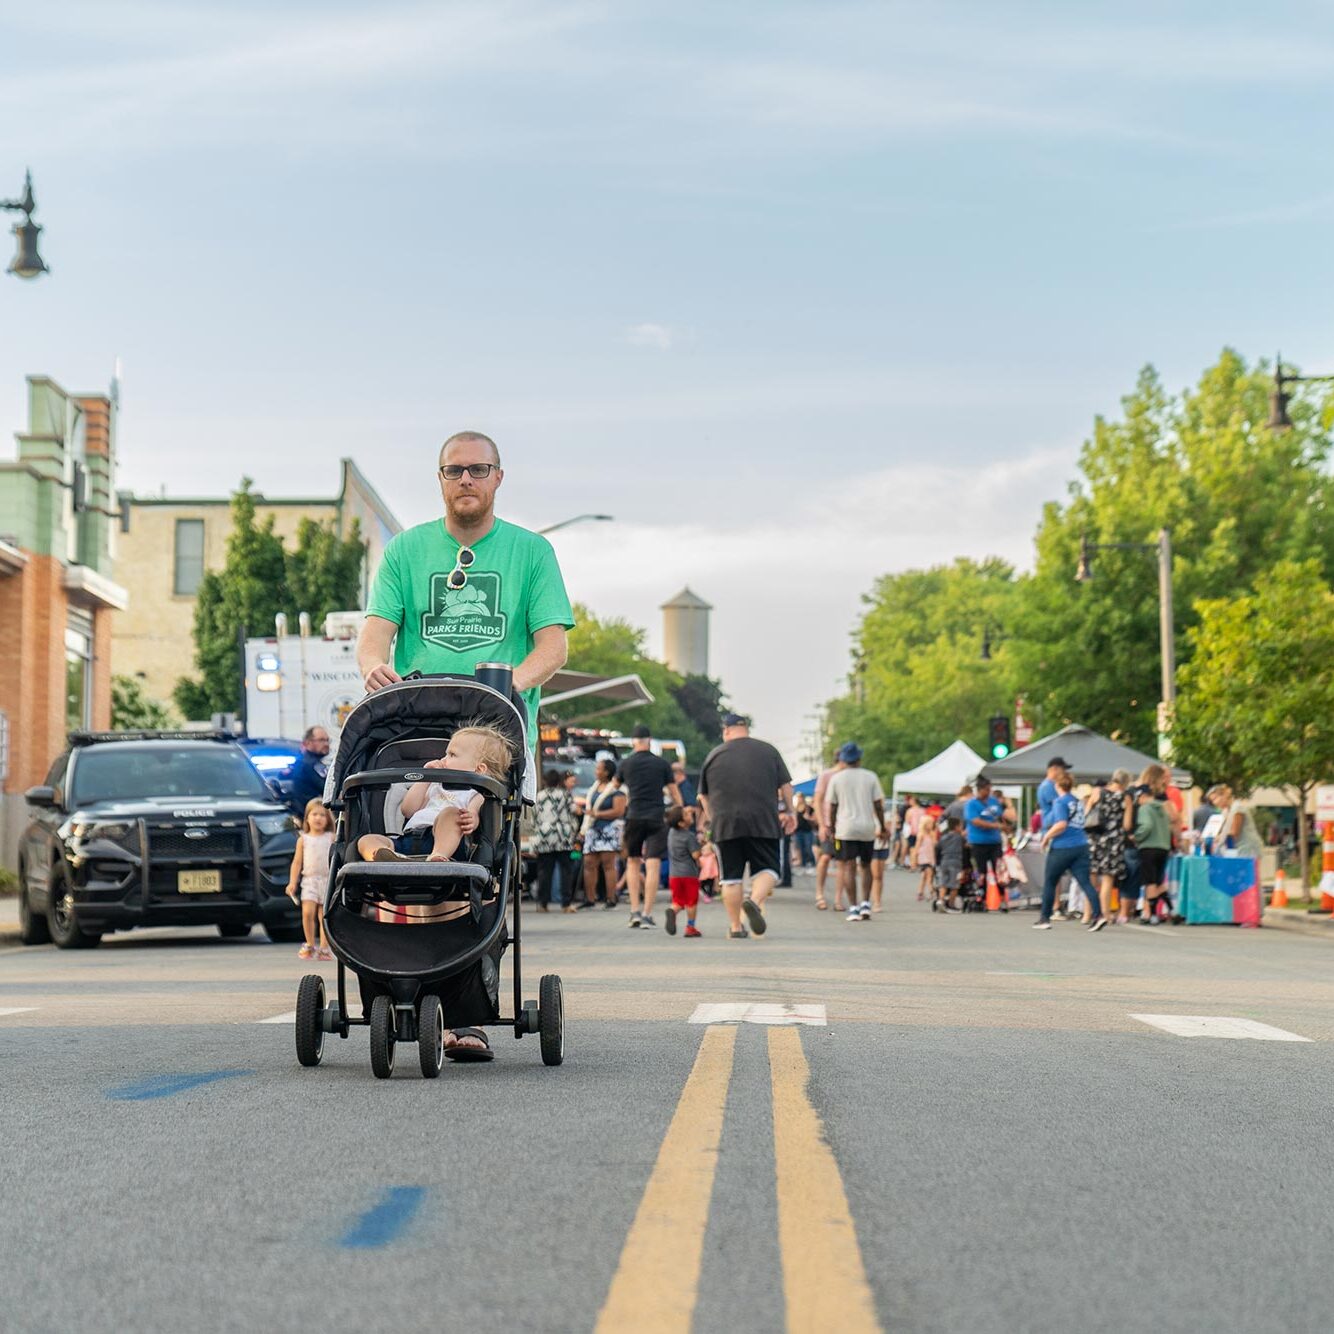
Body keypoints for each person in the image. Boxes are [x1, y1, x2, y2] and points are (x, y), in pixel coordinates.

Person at [356, 428, 574, 1060]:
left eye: (479, 470)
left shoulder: (531, 553)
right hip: (417, 725)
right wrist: (373, 664)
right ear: (441, 479)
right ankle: (395, 977)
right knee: (389, 827)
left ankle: (468, 1012)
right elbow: (376, 633)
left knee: (485, 860)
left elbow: (552, 645)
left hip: (493, 737)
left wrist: (509, 685)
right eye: (454, 471)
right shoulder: (407, 551)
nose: (466, 480)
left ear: (498, 477)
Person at [355, 727, 513, 929]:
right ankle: (380, 854)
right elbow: (408, 809)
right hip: (409, 840)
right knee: (366, 840)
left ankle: (438, 857)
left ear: (479, 770)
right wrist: (425, 777)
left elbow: (474, 815)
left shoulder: (477, 793)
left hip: (446, 844)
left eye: (452, 755)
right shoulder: (434, 785)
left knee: (450, 813)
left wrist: (471, 818)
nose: (443, 758)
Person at [697, 713, 796, 939]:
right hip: (763, 821)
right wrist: (790, 811)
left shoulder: (714, 755)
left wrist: (714, 819)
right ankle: (753, 901)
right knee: (769, 869)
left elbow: (703, 796)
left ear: (726, 731)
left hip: (725, 824)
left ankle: (735, 927)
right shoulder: (768, 751)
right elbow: (786, 785)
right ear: (745, 729)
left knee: (730, 878)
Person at [618, 725, 681, 929]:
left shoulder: (625, 763)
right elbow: (673, 792)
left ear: (633, 742)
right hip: (656, 817)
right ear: (649, 740)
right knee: (652, 865)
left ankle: (634, 911)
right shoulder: (662, 764)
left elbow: (615, 786)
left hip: (633, 817)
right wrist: (681, 809)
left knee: (633, 863)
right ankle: (647, 913)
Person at [1034, 770, 1106, 931]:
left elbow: (1061, 824)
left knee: (1050, 881)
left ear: (1057, 785)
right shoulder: (1077, 801)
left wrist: (1047, 837)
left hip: (1062, 846)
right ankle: (1098, 914)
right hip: (1081, 845)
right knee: (1085, 883)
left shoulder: (1060, 802)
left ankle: (1045, 918)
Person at [826, 742, 886, 923]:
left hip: (845, 828)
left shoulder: (837, 778)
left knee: (848, 867)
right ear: (859, 758)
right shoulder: (871, 777)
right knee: (866, 866)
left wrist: (832, 827)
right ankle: (866, 903)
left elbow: (833, 806)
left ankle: (853, 907)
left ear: (843, 759)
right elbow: (878, 805)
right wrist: (882, 827)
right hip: (867, 827)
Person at [286, 798, 334, 960]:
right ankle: (310, 943)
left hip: (327, 880)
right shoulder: (303, 839)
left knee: (324, 915)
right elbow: (297, 862)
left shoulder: (331, 838)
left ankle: (324, 948)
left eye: (322, 815)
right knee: (307, 913)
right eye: (314, 814)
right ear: (307, 818)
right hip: (310, 881)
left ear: (328, 818)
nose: (318, 818)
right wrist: (293, 882)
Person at [580, 758, 626, 909]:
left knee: (608, 864)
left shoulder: (616, 789)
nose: (596, 771)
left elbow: (619, 811)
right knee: (589, 863)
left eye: (599, 769)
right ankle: (590, 898)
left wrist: (597, 814)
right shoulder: (594, 787)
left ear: (607, 772)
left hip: (609, 829)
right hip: (592, 829)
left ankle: (611, 898)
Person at [1132, 764, 1175, 924]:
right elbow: (1172, 822)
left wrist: (1137, 836)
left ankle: (1151, 914)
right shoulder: (1164, 806)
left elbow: (1147, 826)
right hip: (1164, 846)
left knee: (1149, 882)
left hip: (1148, 846)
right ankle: (1172, 909)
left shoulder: (1145, 808)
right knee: (1158, 881)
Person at [1086, 769, 1130, 924]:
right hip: (1113, 841)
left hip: (1095, 838)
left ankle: (1088, 913)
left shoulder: (1098, 793)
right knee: (1107, 879)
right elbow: (1127, 824)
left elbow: (1087, 813)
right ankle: (1105, 913)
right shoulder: (1125, 797)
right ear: (1125, 782)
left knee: (1091, 876)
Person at [533, 768, 577, 913]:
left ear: (545, 781)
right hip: (562, 836)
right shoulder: (564, 794)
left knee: (544, 872)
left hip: (544, 835)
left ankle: (542, 903)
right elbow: (574, 810)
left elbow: (534, 815)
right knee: (566, 871)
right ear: (559, 781)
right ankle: (566, 904)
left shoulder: (538, 796)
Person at [964, 777, 1006, 905]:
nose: (988, 792)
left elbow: (1000, 816)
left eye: (990, 789)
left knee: (999, 870)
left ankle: (1002, 898)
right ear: (980, 790)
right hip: (978, 842)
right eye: (986, 790)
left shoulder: (994, 801)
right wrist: (994, 826)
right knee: (980, 871)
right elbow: (975, 821)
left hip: (994, 842)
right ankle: (980, 897)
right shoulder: (971, 804)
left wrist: (1004, 823)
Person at [812, 755, 846, 910]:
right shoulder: (827, 775)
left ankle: (838, 899)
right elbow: (817, 799)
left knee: (842, 862)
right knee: (825, 858)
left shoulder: (849, 776)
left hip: (845, 825)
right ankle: (819, 894)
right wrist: (821, 824)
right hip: (828, 824)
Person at [665, 805, 703, 938]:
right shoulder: (689, 836)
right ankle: (690, 927)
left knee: (678, 901)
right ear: (681, 823)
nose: (689, 814)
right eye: (686, 815)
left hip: (674, 875)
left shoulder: (671, 833)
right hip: (689, 875)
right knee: (691, 902)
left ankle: (672, 910)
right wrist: (702, 845)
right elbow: (696, 855)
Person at [287, 726, 331, 816]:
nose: (326, 744)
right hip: (312, 816)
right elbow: (328, 789)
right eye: (321, 740)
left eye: (327, 740)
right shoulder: (309, 764)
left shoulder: (303, 761)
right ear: (307, 743)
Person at [1212, 784, 1264, 860]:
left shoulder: (1237, 808)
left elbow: (1234, 832)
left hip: (1248, 846)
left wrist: (1218, 837)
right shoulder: (1227, 811)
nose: (1214, 802)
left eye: (1215, 798)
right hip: (1240, 847)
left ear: (1224, 796)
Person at [936, 816, 965, 911]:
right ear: (957, 827)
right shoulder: (959, 838)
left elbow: (938, 848)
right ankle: (951, 904)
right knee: (954, 885)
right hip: (955, 862)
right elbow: (965, 845)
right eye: (961, 826)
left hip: (944, 861)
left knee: (943, 883)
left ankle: (940, 900)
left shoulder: (943, 837)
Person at [1036, 757, 1068, 829]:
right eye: (1063, 769)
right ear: (1054, 769)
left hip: (1053, 825)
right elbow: (1059, 806)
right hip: (1052, 825)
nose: (1064, 772)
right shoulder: (1048, 786)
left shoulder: (1048, 785)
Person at [915, 815, 937, 902]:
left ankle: (920, 892)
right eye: (930, 823)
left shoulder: (932, 834)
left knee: (924, 876)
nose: (931, 825)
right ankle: (932, 892)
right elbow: (917, 847)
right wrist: (915, 859)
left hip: (930, 857)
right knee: (929, 876)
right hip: (924, 858)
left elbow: (935, 845)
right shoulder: (921, 835)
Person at [793, 793, 817, 868]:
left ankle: (812, 862)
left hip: (807, 831)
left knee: (808, 847)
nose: (799, 799)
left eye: (800, 797)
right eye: (798, 798)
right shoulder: (796, 809)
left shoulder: (809, 808)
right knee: (800, 848)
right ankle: (803, 864)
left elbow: (814, 819)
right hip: (798, 831)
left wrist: (808, 818)